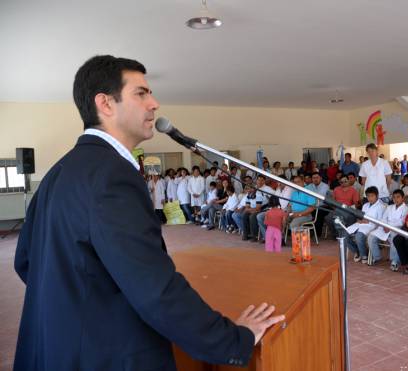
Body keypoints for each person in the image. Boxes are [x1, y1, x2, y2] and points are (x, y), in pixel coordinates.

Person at [13, 55, 283, 371]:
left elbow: (27, 262)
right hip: (103, 355)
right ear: (105, 104)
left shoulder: (59, 172)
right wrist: (233, 339)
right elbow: (155, 290)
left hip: (55, 347)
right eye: (141, 93)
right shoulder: (112, 175)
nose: (154, 103)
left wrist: (77, 303)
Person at [369, 189, 408, 270]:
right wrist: (385, 226)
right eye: (394, 197)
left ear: (403, 198)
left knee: (394, 239)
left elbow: (401, 222)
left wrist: (389, 226)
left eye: (398, 197)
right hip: (385, 227)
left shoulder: (406, 208)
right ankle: (377, 257)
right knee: (371, 236)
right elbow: (384, 218)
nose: (396, 199)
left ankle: (395, 261)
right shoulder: (390, 207)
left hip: (397, 229)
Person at [345, 187, 386, 264]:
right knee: (344, 234)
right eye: (368, 196)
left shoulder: (381, 206)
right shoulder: (365, 205)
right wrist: (359, 220)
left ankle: (364, 255)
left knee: (358, 236)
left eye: (372, 196)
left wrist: (367, 222)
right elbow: (362, 216)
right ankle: (357, 251)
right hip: (361, 224)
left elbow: (380, 222)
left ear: (377, 196)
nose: (370, 198)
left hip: (371, 226)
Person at [306, 172, 330, 238]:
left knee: (318, 212)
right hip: (311, 207)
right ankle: (308, 230)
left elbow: (321, 198)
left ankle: (317, 233)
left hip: (323, 207)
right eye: (313, 178)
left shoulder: (325, 186)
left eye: (317, 177)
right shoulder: (308, 187)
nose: (315, 179)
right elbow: (306, 197)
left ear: (321, 178)